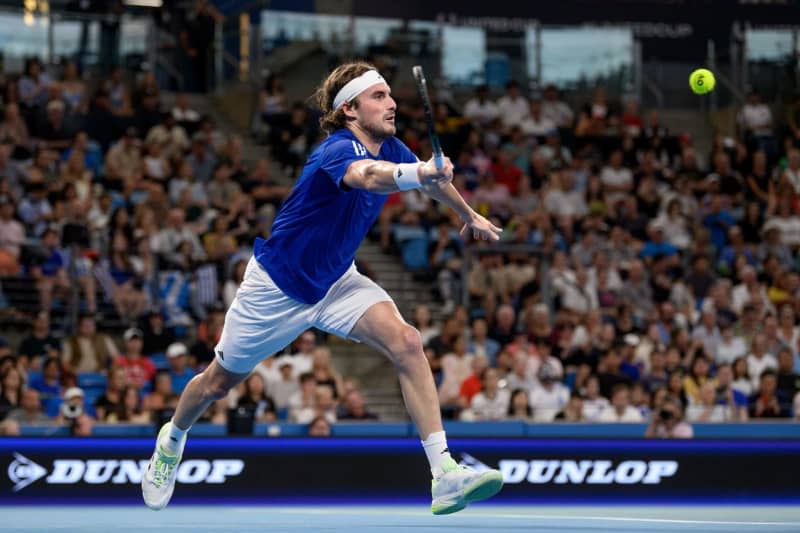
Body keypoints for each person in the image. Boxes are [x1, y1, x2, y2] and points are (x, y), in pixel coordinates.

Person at [142, 62, 504, 514]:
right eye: (378, 96)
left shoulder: (391, 145)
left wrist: (467, 214)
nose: (391, 103)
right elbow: (371, 177)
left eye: (390, 94)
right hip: (277, 289)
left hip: (337, 281)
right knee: (217, 383)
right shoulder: (336, 150)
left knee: (409, 342)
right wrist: (419, 174)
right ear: (350, 109)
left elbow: (429, 182)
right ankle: (172, 439)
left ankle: (444, 473)